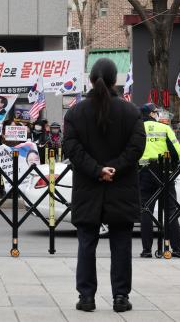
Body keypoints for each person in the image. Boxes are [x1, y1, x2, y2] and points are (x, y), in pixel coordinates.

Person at [63, 58, 146, 313]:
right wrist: (115, 168)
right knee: (121, 243)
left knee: (86, 242)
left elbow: (72, 149)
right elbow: (136, 148)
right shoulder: (131, 112)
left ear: (91, 80)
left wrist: (97, 170)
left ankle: (86, 297)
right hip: (122, 186)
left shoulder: (75, 112)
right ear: (114, 80)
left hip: (88, 187)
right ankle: (121, 297)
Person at [138, 103, 180, 259]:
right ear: (152, 114)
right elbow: (176, 152)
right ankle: (177, 249)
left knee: (146, 210)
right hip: (163, 172)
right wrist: (171, 167)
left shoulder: (136, 129)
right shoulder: (164, 128)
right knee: (171, 210)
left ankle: (146, 250)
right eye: (156, 112)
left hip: (144, 172)